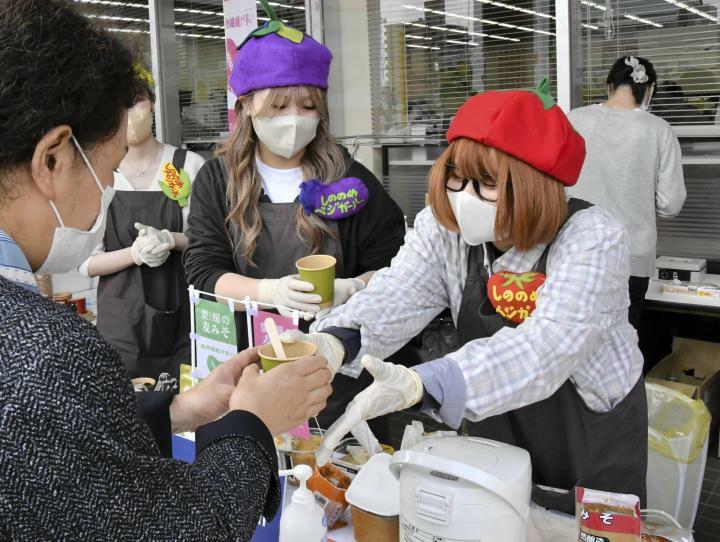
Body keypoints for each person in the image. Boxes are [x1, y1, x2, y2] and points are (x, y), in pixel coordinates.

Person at [0, 2, 331, 539]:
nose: (108, 195)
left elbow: (74, 462)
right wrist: (252, 425)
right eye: (106, 172)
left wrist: (177, 410)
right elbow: (183, 529)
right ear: (53, 159)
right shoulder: (48, 358)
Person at [286, 78, 649, 515]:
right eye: (456, 175)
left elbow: (547, 348)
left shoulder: (593, 237)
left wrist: (423, 384)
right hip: (497, 433)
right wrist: (336, 340)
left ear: (534, 184)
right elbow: (398, 292)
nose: (463, 196)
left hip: (589, 438)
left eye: (486, 182)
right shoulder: (447, 232)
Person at [183, 4, 406, 428]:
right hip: (249, 369)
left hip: (335, 374)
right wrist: (269, 292)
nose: (295, 120)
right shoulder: (219, 179)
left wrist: (352, 287)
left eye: (307, 106)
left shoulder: (348, 177)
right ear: (247, 105)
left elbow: (398, 265)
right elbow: (202, 269)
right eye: (279, 106)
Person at [79, 68, 206, 385]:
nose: (128, 114)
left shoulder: (188, 165)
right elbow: (85, 263)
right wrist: (133, 254)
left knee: (186, 414)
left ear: (151, 102)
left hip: (182, 322)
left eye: (134, 101)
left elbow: (211, 242)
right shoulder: (95, 175)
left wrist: (171, 239)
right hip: (121, 327)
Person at [568, 56, 686, 328]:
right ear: (650, 90)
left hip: (573, 252)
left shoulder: (573, 119)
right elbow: (671, 203)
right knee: (621, 349)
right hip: (630, 258)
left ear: (609, 86)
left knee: (570, 344)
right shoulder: (658, 129)